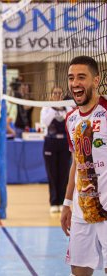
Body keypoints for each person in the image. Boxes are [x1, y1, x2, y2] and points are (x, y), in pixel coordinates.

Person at [61, 55, 107, 275]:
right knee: (79, 270)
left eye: (82, 77)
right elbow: (76, 163)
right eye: (71, 78)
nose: (75, 83)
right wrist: (67, 202)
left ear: (96, 80)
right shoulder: (70, 119)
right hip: (82, 210)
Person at [40, 87, 71, 213]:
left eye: (60, 93)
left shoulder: (68, 108)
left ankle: (62, 202)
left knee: (64, 174)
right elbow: (45, 122)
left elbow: (71, 123)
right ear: (52, 95)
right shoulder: (46, 108)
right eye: (55, 93)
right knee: (52, 174)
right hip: (50, 142)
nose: (58, 95)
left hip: (64, 142)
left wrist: (62, 110)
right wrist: (54, 108)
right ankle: (54, 201)